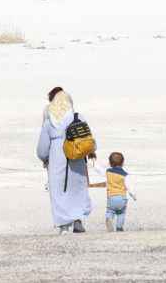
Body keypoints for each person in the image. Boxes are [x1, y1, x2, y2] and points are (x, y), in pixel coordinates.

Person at [35, 86, 94, 234]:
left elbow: (42, 148)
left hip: (56, 159)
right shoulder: (78, 117)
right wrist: (92, 151)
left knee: (59, 191)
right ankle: (78, 219)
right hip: (77, 157)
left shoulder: (49, 123)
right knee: (77, 189)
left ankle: (63, 225)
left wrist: (44, 158)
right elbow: (88, 137)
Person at [104, 152, 131, 232]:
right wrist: (133, 195)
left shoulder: (108, 172)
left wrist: (93, 161)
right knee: (121, 213)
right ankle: (119, 227)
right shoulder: (125, 175)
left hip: (111, 197)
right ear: (123, 163)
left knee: (110, 211)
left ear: (109, 163)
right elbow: (129, 186)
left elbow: (98, 169)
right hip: (122, 198)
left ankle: (109, 218)